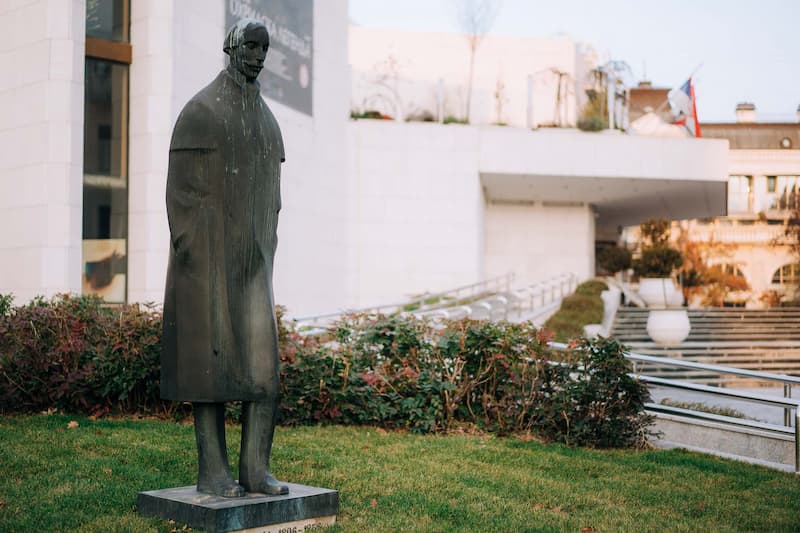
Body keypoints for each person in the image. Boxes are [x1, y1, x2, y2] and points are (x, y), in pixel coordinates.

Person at [160, 18, 288, 498]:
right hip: (208, 263)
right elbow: (181, 195)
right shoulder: (202, 111)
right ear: (231, 47)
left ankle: (256, 469)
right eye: (251, 46)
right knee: (209, 368)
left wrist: (266, 244)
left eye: (264, 48)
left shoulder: (266, 120)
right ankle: (212, 471)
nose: (258, 56)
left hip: (253, 264)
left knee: (263, 369)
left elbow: (273, 195)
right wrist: (193, 252)